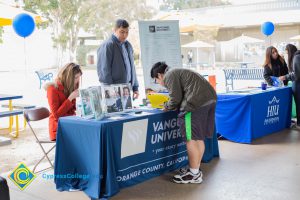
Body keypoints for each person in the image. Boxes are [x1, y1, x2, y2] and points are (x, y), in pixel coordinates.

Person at [150, 62, 216, 184]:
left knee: (190, 139)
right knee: (198, 138)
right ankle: (195, 170)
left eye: (156, 80)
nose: (158, 83)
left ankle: (193, 174)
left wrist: (166, 106)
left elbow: (175, 98)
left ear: (159, 75)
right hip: (209, 100)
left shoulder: (169, 75)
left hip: (195, 103)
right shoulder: (177, 71)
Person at [97, 19, 139, 100]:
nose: (125, 35)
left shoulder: (128, 45)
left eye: (127, 32)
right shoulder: (108, 45)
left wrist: (135, 87)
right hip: (113, 92)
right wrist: (110, 90)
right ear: (115, 30)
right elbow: (104, 71)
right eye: (122, 32)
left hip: (127, 91)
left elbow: (132, 68)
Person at [45, 63, 82, 141]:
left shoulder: (70, 86)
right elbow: (57, 115)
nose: (78, 80)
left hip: (70, 123)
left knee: (88, 131)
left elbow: (73, 109)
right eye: (76, 77)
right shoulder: (52, 89)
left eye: (79, 77)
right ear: (68, 77)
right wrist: (70, 98)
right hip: (58, 128)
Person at [279, 44, 300, 126]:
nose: (286, 54)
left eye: (287, 53)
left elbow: (296, 74)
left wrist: (285, 77)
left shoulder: (296, 57)